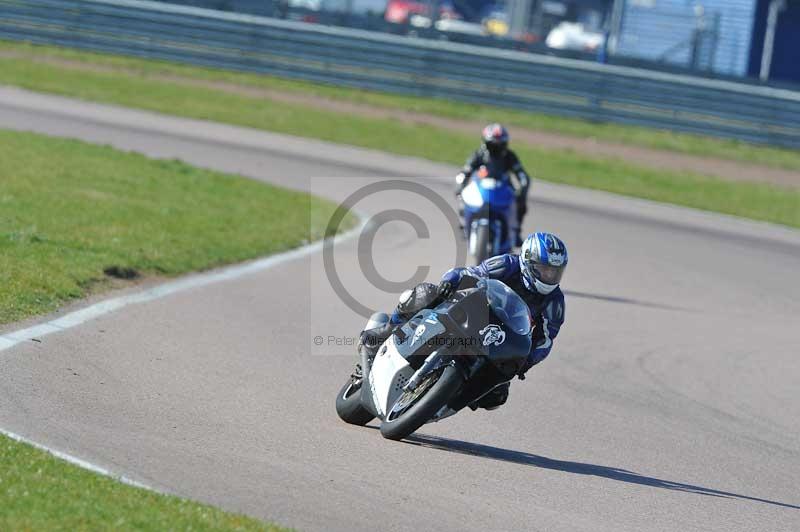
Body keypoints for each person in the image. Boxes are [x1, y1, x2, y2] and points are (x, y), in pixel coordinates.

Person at [361, 232, 567, 411]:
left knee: (497, 395)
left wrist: (527, 361)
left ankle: (445, 401)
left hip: (500, 338)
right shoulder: (507, 264)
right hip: (475, 312)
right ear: (528, 261)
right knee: (426, 294)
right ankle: (388, 330)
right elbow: (472, 272)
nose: (550, 276)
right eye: (545, 269)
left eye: (555, 272)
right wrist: (450, 282)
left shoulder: (555, 302)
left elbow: (546, 341)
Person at [455, 123, 531, 247]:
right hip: (481, 188)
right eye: (492, 146)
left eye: (499, 146)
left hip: (503, 188)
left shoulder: (509, 156)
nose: (495, 149)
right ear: (486, 143)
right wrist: (460, 185)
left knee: (520, 204)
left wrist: (522, 190)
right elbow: (466, 170)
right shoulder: (479, 154)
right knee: (463, 196)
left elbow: (522, 175)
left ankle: (515, 231)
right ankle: (463, 225)